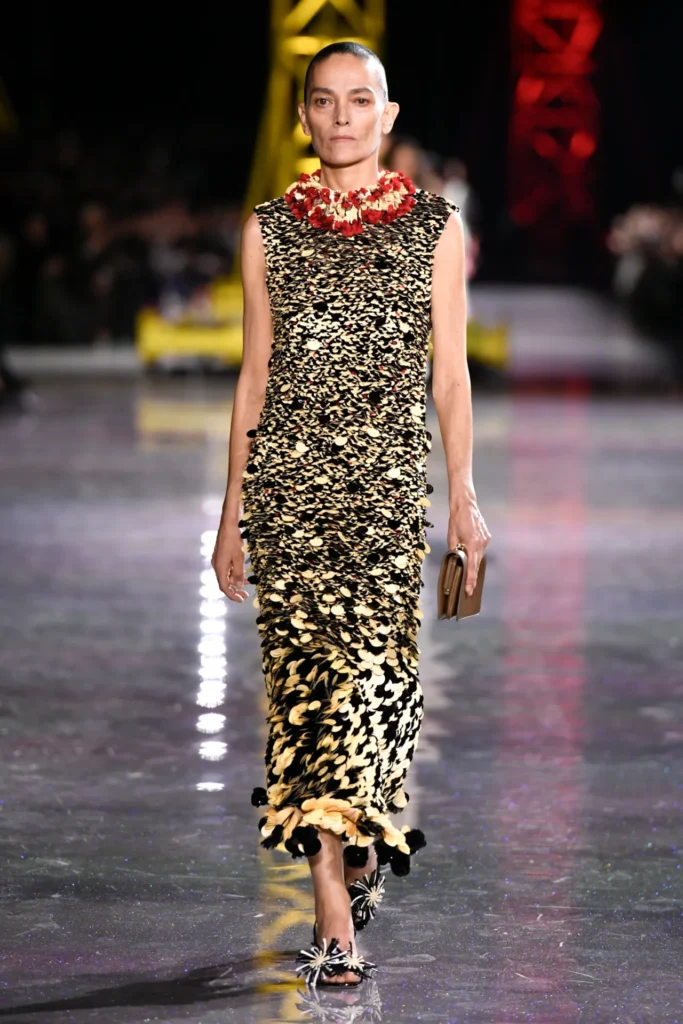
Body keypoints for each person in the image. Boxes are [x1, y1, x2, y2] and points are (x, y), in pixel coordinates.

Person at [211, 41, 491, 986]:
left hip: (383, 506)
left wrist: (462, 496)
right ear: (302, 117)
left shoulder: (433, 229)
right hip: (289, 502)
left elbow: (449, 376)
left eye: (358, 100)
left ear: (387, 114)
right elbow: (253, 376)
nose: (340, 117)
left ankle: (363, 839)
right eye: (324, 101)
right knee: (307, 702)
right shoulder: (267, 231)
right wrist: (230, 514)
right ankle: (332, 914)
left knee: (377, 695)